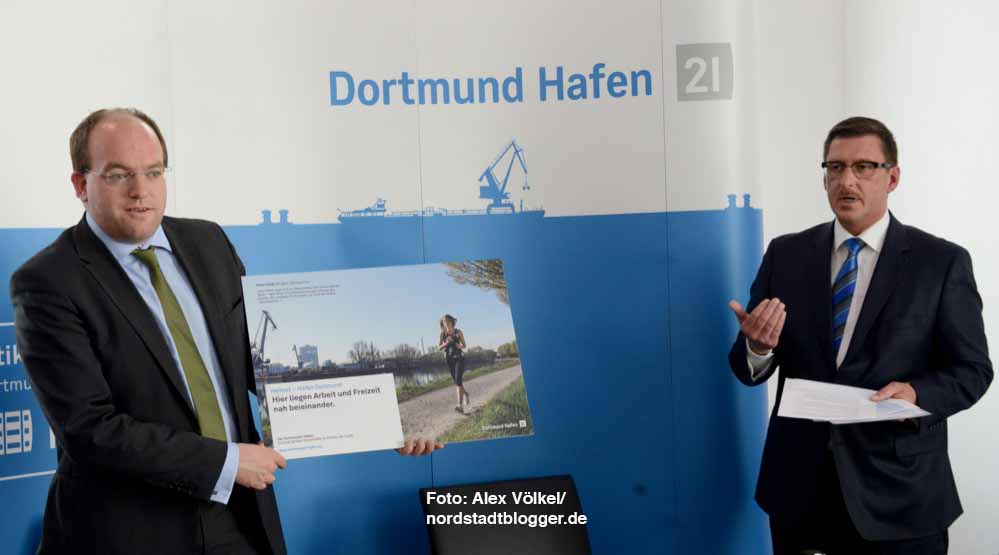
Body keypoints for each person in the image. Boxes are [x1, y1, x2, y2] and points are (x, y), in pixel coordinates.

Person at [11, 108, 441, 555]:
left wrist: (383, 421)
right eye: (119, 175)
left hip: (238, 519)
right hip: (128, 531)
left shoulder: (208, 243)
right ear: (81, 185)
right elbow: (90, 430)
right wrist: (228, 462)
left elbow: (261, 368)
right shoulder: (48, 282)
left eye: (153, 172)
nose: (141, 190)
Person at [727, 116, 992, 555]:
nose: (846, 180)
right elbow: (746, 368)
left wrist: (916, 394)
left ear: (893, 177)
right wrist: (757, 347)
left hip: (900, 497)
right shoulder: (786, 254)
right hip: (801, 494)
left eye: (864, 167)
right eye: (835, 167)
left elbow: (973, 370)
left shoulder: (940, 262)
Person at [439, 314, 470, 413]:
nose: (446, 323)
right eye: (444, 322)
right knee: (457, 382)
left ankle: (459, 405)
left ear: (452, 321)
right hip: (449, 360)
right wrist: (446, 343)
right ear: (443, 323)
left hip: (459, 358)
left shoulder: (458, 332)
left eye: (448, 321)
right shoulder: (443, 334)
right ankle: (466, 394)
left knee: (458, 380)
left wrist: (459, 345)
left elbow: (464, 345)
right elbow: (440, 347)